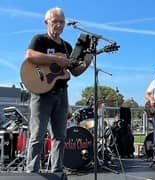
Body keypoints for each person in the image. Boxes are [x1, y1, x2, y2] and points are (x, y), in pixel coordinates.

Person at [24, 7, 73, 173]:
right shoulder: (40, 40)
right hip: (41, 94)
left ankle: (57, 171)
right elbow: (30, 55)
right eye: (55, 21)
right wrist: (55, 59)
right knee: (37, 135)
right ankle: (32, 172)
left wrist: (87, 60)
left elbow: (75, 71)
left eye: (62, 22)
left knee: (60, 136)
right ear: (47, 22)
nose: (59, 25)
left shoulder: (67, 46)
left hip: (61, 93)